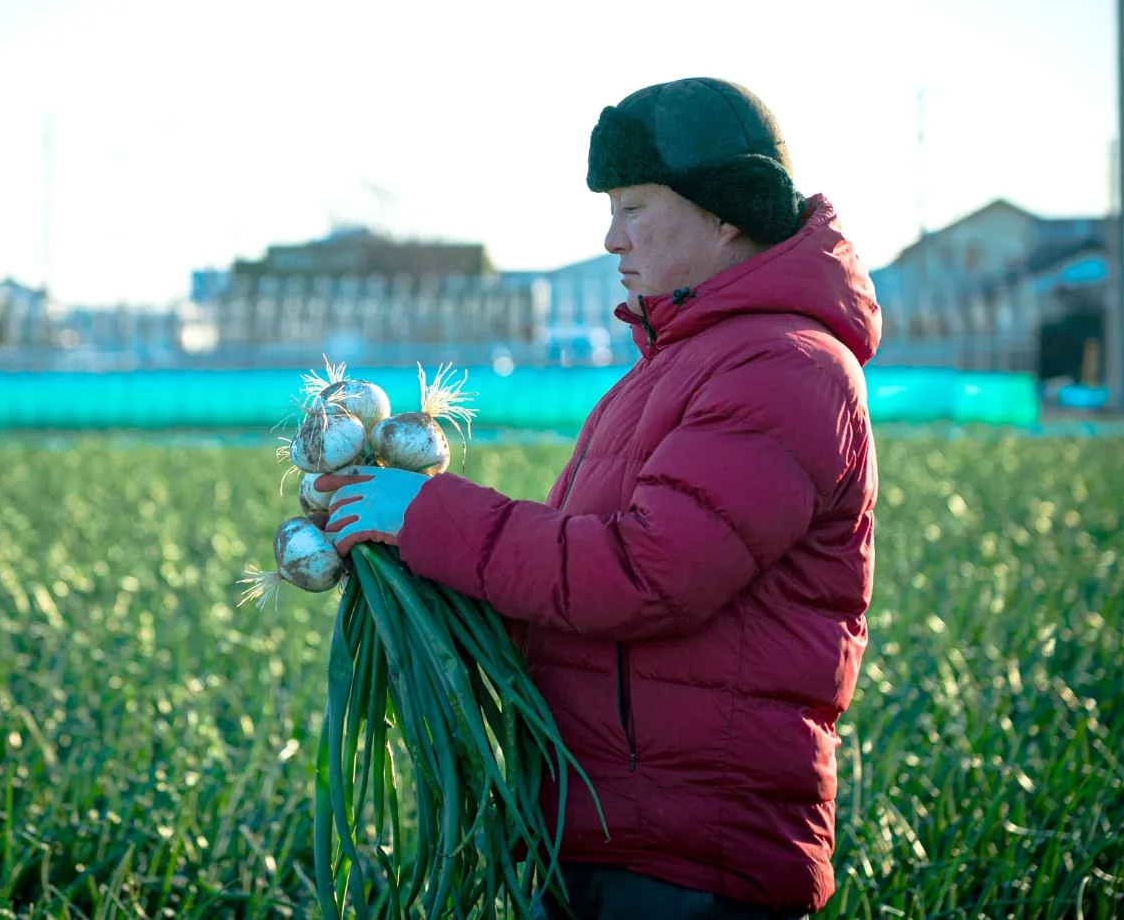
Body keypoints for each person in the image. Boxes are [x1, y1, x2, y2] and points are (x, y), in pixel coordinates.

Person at [316, 77, 881, 919]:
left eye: (635, 205)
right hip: (600, 834)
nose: (610, 236)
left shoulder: (786, 367)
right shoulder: (669, 368)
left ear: (724, 211)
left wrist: (426, 515)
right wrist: (408, 562)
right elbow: (567, 605)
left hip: (692, 860)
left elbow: (642, 574)